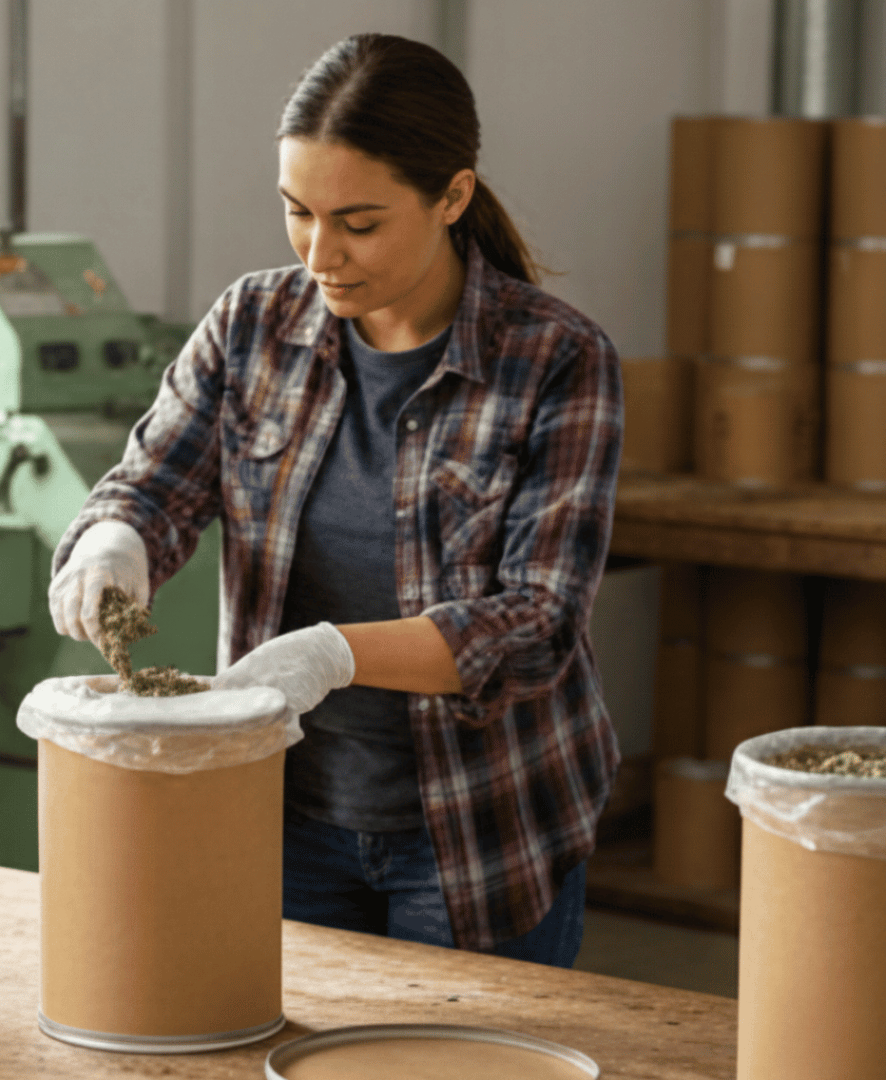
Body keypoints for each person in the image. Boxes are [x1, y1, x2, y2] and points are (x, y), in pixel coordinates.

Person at [48, 33, 622, 966]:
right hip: (283, 812)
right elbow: (154, 484)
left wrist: (334, 654)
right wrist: (115, 540)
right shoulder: (251, 326)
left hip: (480, 828)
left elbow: (538, 621)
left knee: (446, 1045)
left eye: (359, 223)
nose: (322, 254)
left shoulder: (556, 360)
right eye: (297, 212)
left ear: (452, 197)